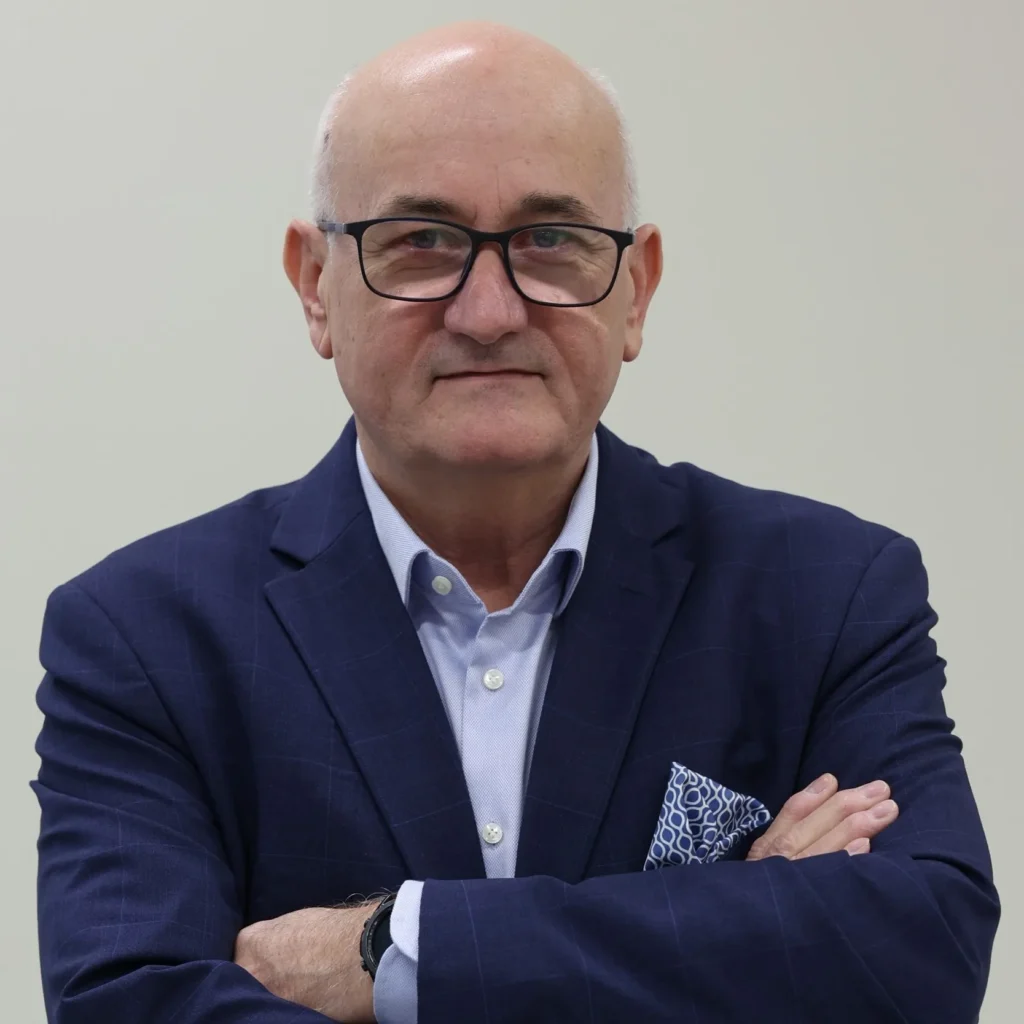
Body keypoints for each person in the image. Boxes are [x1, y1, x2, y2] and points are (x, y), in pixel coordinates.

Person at [32, 20, 998, 1024]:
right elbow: (131, 1006)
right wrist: (731, 923)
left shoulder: (824, 595)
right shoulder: (145, 637)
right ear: (316, 285)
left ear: (636, 290)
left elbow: (919, 954)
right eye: (421, 241)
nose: (488, 312)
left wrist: (399, 947)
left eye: (551, 241)